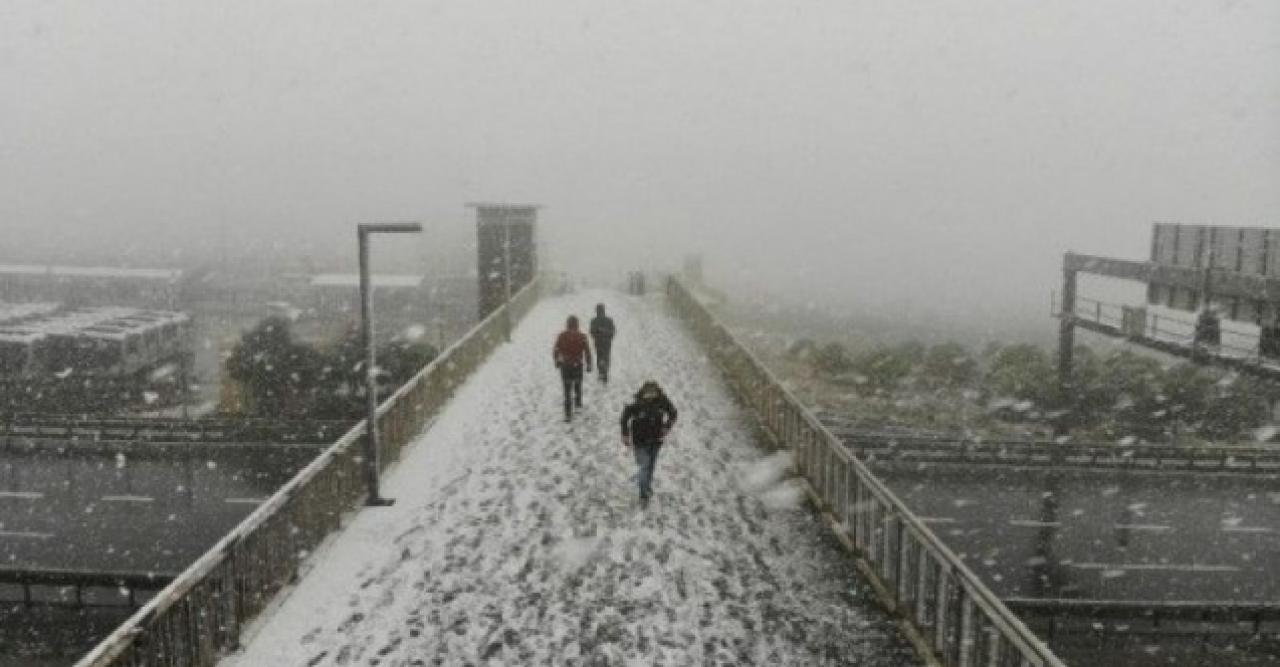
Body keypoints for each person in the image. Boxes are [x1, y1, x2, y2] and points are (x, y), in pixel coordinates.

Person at [619, 380, 678, 508]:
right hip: (639, 441)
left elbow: (673, 413)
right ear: (643, 393)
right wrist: (625, 434)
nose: (650, 397)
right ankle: (643, 495)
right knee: (644, 465)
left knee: (651, 465)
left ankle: (647, 486)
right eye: (648, 394)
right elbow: (624, 417)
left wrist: (667, 427)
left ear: (657, 393)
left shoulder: (662, 401)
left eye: (653, 394)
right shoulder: (636, 403)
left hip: (656, 440)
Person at [553, 315, 592, 421]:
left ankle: (568, 412)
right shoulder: (582, 336)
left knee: (567, 389)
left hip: (566, 366)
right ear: (577, 325)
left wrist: (557, 361)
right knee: (577, 386)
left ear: (567, 324)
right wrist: (589, 364)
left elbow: (556, 350)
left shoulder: (561, 336)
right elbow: (587, 351)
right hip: (577, 365)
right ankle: (578, 404)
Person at [589, 303, 616, 383]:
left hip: (598, 342)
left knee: (600, 357)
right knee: (606, 357)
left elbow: (592, 332)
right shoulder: (609, 320)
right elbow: (613, 331)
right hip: (607, 342)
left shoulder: (593, 321)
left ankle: (601, 372)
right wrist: (608, 335)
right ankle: (605, 372)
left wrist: (597, 334)